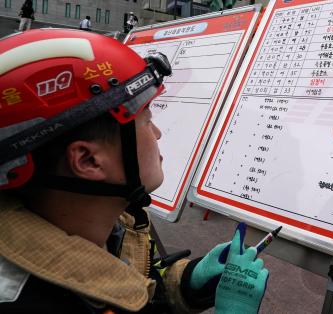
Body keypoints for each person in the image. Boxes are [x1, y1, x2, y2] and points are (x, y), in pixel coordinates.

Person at [0, 29, 268, 313]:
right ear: (89, 160)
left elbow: (133, 291)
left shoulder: (108, 228)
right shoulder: (29, 301)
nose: (157, 133)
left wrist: (188, 283)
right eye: (147, 120)